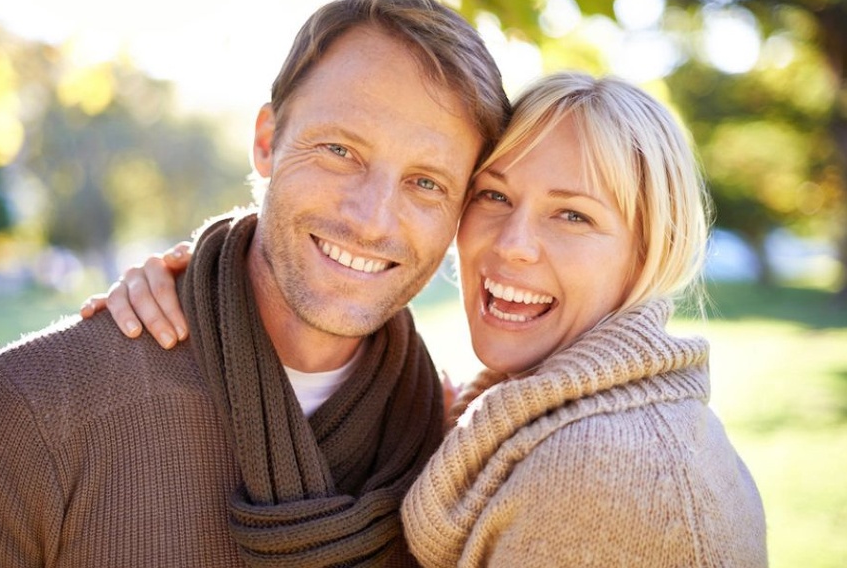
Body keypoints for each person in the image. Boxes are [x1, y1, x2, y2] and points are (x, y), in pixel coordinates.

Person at [0, 0, 509, 566]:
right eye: (340, 151)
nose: (372, 221)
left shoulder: (452, 448)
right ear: (267, 142)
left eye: (426, 183)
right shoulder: (29, 411)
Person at [84, 72, 767, 565]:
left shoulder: (602, 473)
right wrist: (216, 274)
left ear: (650, 250)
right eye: (494, 195)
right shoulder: (513, 418)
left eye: (572, 215)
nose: (511, 243)